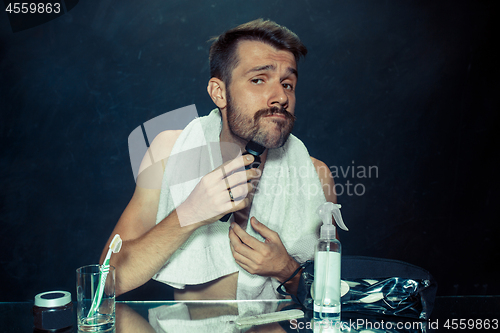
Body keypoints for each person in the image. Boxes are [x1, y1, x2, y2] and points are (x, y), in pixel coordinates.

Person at [100, 19, 336, 301]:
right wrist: (190, 213)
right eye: (259, 79)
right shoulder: (169, 151)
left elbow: (329, 299)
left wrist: (286, 270)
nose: (281, 97)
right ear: (219, 92)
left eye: (288, 83)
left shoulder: (315, 174)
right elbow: (107, 281)